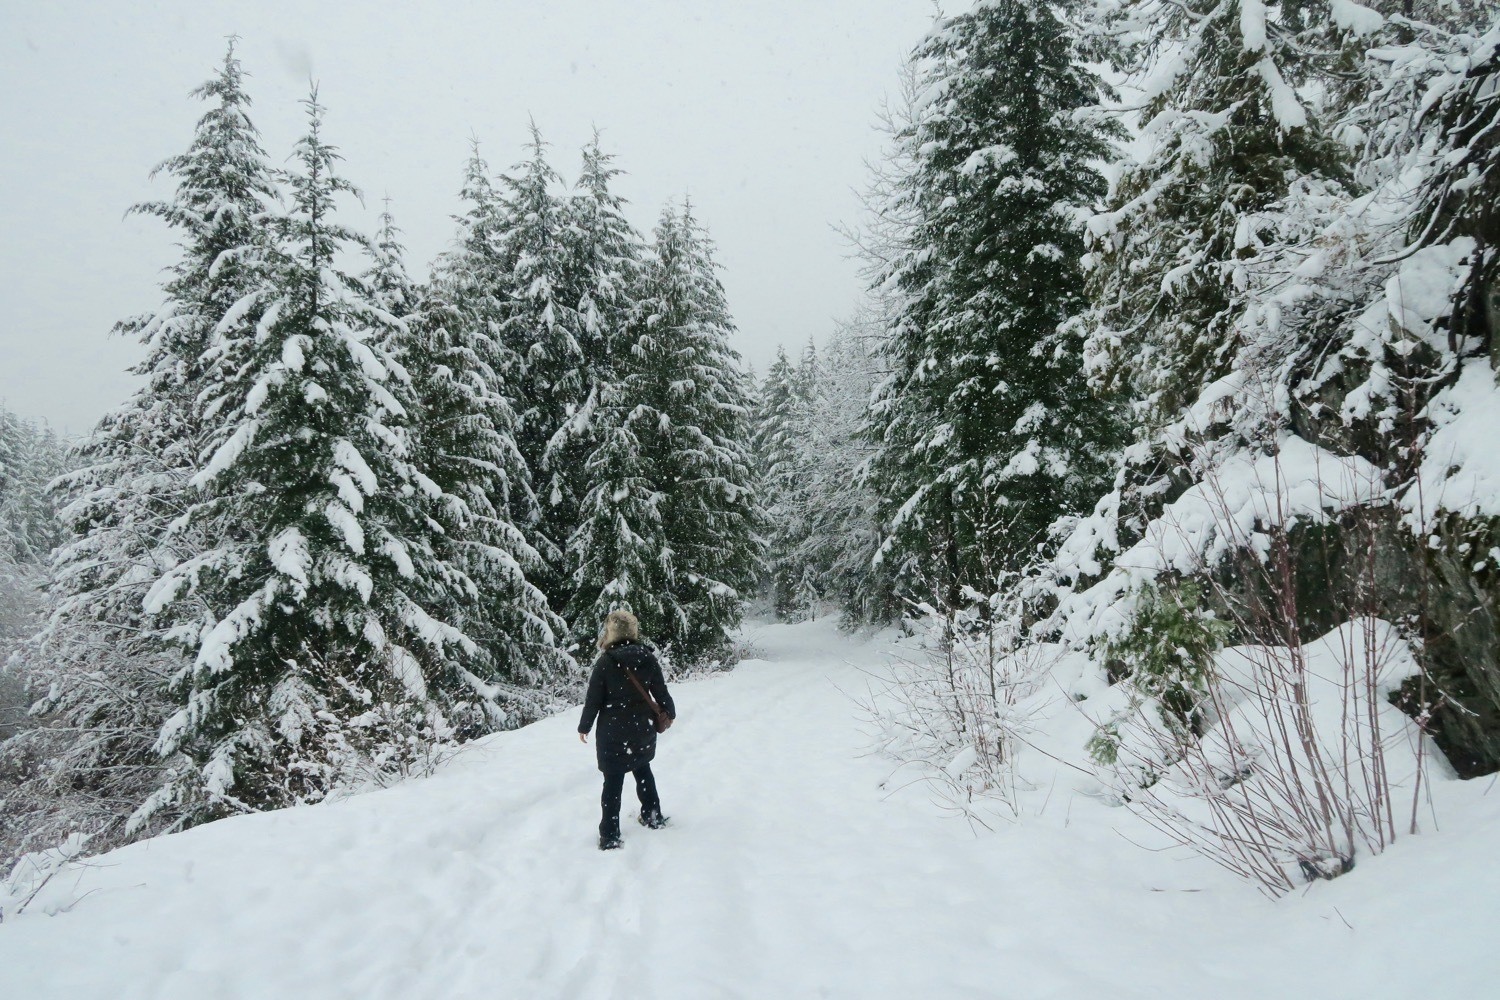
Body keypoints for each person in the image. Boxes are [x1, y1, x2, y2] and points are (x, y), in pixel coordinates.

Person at [577, 609, 677, 850]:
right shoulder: (647, 657)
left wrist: (584, 726)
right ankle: (653, 816)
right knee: (643, 769)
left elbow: (594, 700)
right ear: (633, 631)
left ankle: (610, 835)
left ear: (611, 633)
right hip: (642, 727)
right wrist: (669, 712)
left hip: (613, 731)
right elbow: (660, 691)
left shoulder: (606, 662)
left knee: (613, 781)